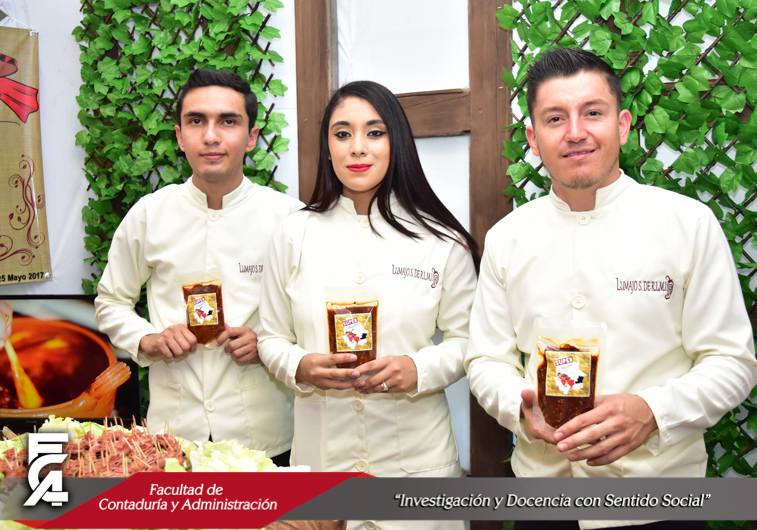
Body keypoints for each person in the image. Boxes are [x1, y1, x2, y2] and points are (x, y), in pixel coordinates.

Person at [464, 47, 757, 530]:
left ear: (622, 125)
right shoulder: (507, 238)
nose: (575, 132)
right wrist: (521, 406)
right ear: (533, 139)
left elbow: (733, 362)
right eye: (555, 118)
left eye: (593, 113)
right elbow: (485, 360)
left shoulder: (688, 224)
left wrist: (652, 411)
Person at [258, 81, 478, 530]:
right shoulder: (293, 235)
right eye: (342, 134)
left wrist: (417, 369)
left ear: (397, 142)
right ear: (327, 148)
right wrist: (301, 365)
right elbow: (270, 337)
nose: (358, 147)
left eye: (375, 132)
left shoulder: (442, 240)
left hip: (416, 469)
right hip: (321, 467)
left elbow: (470, 342)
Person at [95, 68, 302, 464]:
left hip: (267, 437)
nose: (210, 136)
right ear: (179, 136)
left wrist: (270, 344)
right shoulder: (149, 214)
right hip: (173, 437)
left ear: (252, 137)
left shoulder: (289, 218)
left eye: (228, 121)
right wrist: (148, 339)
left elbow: (314, 316)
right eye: (196, 121)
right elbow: (110, 303)